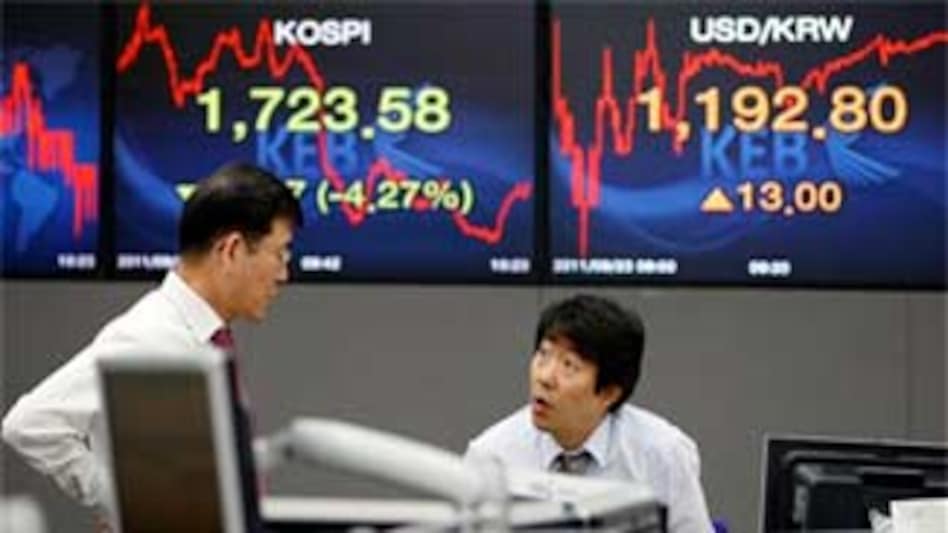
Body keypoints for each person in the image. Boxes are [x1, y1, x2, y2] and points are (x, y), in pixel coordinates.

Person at [2, 162, 302, 523]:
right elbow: (29, 424)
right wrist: (124, 504)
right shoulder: (150, 334)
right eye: (280, 254)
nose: (284, 274)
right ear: (232, 249)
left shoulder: (206, 339)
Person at [465, 294, 713, 533]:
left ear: (609, 393)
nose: (544, 377)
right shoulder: (491, 457)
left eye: (569, 365)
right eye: (543, 354)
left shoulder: (663, 455)